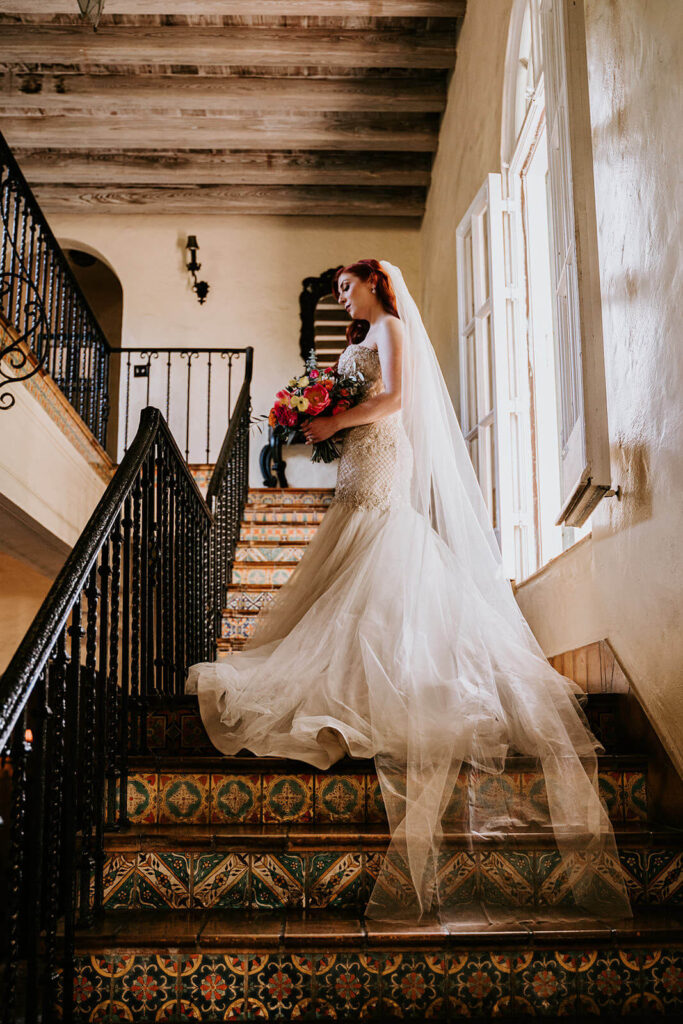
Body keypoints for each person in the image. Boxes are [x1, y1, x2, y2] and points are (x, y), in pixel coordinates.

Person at [187, 259, 631, 925]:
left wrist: (333, 425)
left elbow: (395, 399)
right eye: (336, 289)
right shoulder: (357, 342)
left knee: (379, 542)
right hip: (360, 452)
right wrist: (319, 414)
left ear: (376, 286)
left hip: (380, 452)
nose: (342, 297)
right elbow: (355, 398)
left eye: (347, 286)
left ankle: (393, 679)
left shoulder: (391, 327)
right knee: (354, 552)